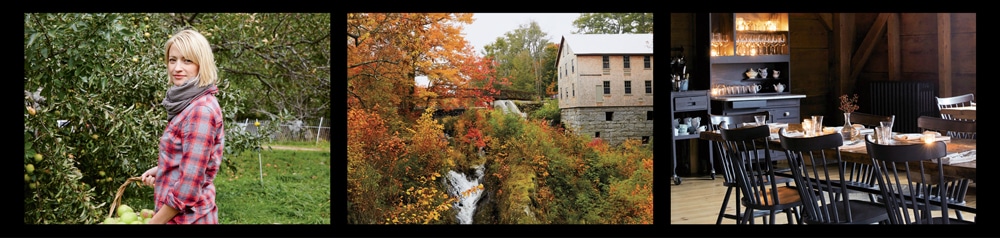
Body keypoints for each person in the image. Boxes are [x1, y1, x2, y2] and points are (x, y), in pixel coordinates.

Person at [140, 29, 223, 224]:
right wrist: (163, 169)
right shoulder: (188, 103)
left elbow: (188, 187)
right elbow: (193, 162)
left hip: (189, 219)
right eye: (172, 60)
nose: (177, 68)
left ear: (201, 64)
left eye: (187, 61)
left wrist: (154, 222)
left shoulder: (200, 111)